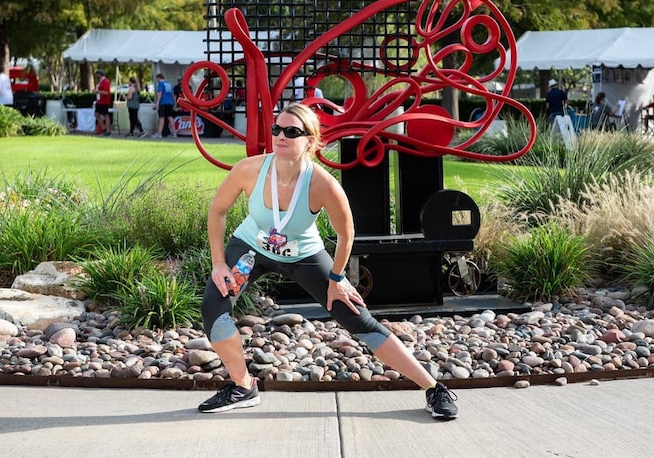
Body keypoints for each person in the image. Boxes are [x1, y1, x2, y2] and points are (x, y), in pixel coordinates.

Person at [197, 103, 459, 420]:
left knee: (356, 318)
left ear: (310, 140)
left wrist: (337, 280)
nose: (280, 136)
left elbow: (346, 234)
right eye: (276, 129)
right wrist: (218, 264)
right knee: (214, 306)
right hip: (252, 249)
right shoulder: (250, 169)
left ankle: (434, 389)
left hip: (304, 256)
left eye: (291, 131)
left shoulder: (323, 185)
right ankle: (243, 386)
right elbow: (217, 211)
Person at [152, 73, 178, 139]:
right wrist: (174, 103)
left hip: (163, 102)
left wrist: (157, 103)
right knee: (170, 117)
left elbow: (159, 94)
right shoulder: (169, 84)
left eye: (157, 79)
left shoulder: (161, 84)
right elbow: (172, 94)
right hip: (170, 103)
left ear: (159, 78)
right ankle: (174, 133)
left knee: (161, 118)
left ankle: (159, 133)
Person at [93, 69, 112, 136]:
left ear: (100, 74)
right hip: (99, 101)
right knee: (96, 114)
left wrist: (97, 91)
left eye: (97, 74)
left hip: (104, 101)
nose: (96, 75)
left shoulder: (105, 81)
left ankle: (108, 130)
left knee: (106, 115)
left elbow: (106, 92)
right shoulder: (100, 82)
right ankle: (104, 128)